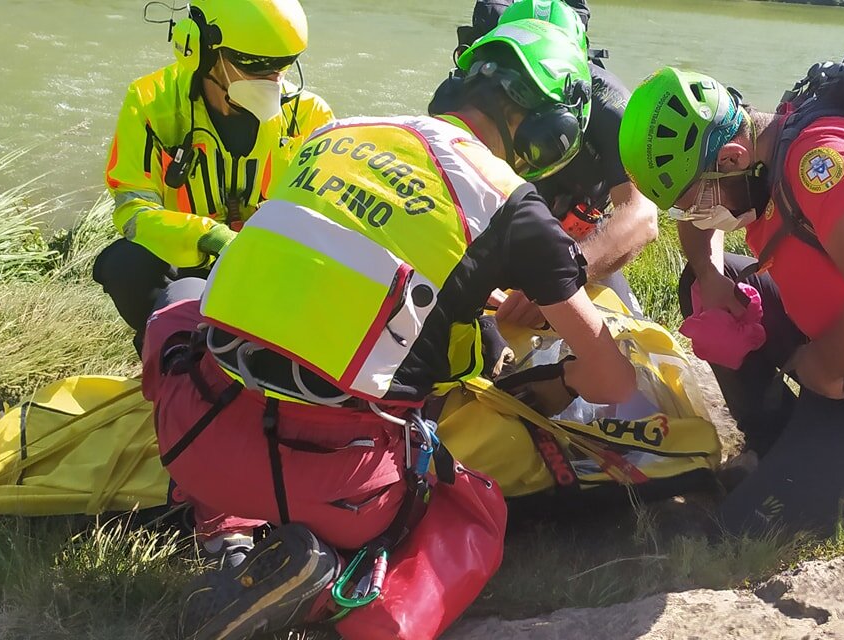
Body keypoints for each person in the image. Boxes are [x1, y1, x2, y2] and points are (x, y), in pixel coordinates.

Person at [149, 18, 636, 639]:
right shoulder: (510, 202)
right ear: (547, 132)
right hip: (339, 488)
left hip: (195, 440)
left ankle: (227, 534)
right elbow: (615, 382)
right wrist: (565, 372)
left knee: (181, 312)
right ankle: (335, 597)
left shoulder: (336, 131)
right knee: (474, 511)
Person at [619, 68, 844, 537]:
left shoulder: (821, 164)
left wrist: (823, 363)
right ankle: (777, 446)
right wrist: (710, 276)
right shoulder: (761, 149)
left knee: (743, 531)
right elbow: (699, 221)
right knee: (705, 280)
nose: (697, 216)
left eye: (699, 201)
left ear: (732, 158)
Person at [95, 0, 333, 353]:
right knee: (125, 263)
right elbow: (134, 211)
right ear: (201, 48)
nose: (274, 79)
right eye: (254, 65)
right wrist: (208, 236)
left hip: (269, 264)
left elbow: (324, 217)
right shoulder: (149, 103)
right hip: (185, 263)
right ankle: (167, 345)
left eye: (283, 65)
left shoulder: (309, 115)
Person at [431, 0, 659, 327]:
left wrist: (572, 270)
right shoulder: (469, 91)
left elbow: (641, 217)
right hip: (492, 237)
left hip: (578, 246)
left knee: (631, 338)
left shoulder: (607, 101)